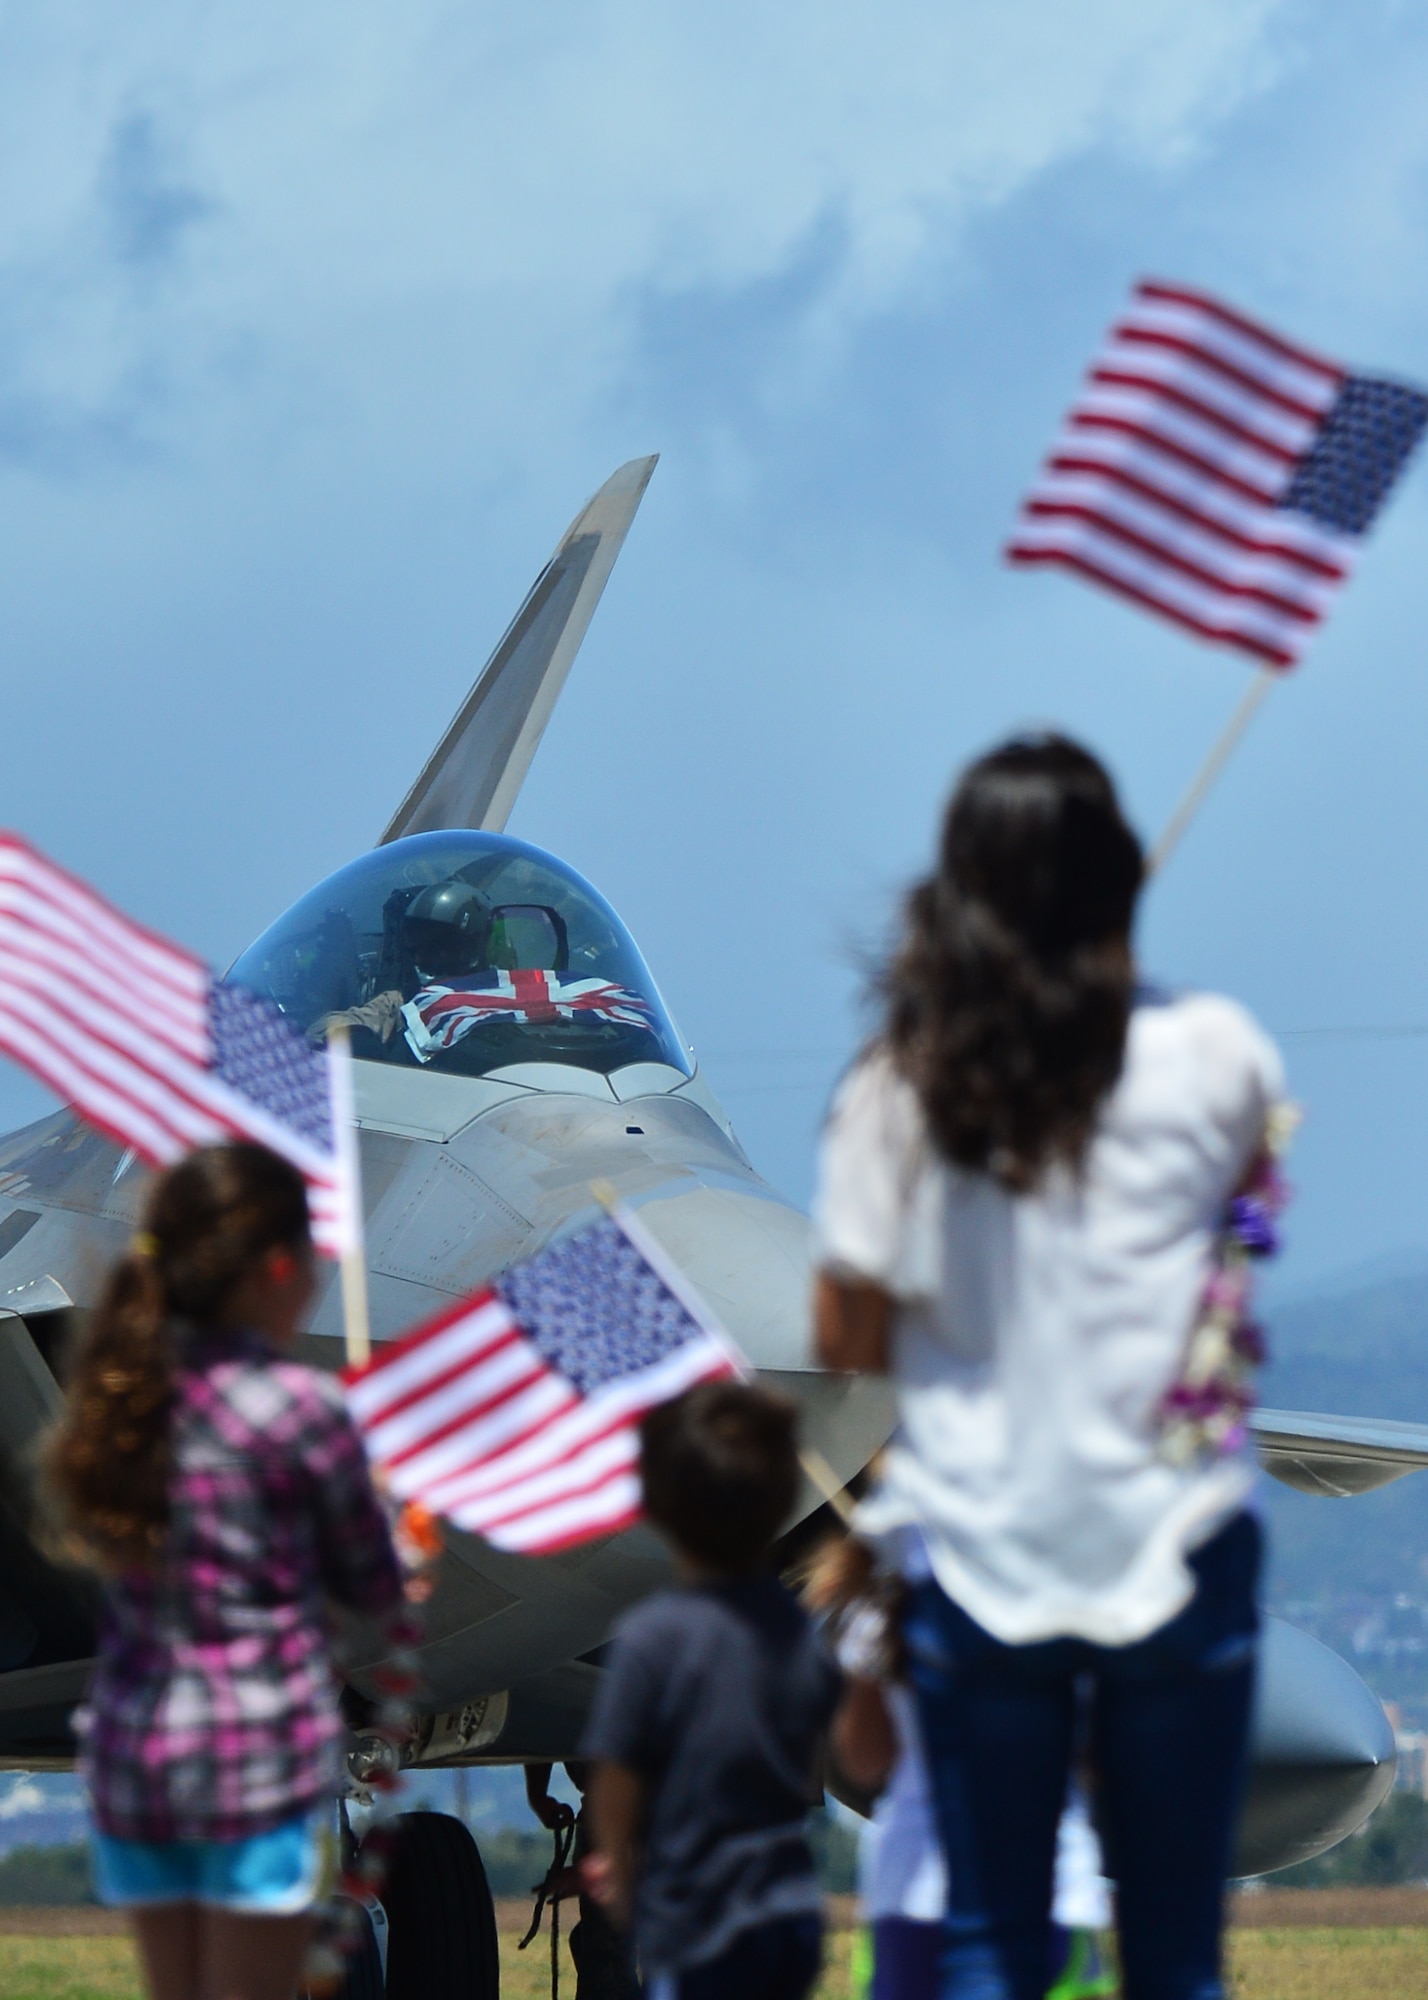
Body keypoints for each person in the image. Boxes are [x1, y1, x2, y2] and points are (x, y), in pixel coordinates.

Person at [813, 735, 1285, 2000]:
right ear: (1122, 884)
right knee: (1179, 1954)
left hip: (987, 1548)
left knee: (991, 1939)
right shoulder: (1220, 1051)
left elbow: (844, 1337)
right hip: (1176, 1536)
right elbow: (1241, 1225)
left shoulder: (895, 1086)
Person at [46, 1142, 403, 2000]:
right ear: (275, 1270)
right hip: (254, 1758)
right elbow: (371, 1584)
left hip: (140, 1758)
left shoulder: (127, 1406)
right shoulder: (305, 1410)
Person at [578, 1381, 846, 2000]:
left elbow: (614, 1778)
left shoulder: (653, 1637)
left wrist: (620, 1869)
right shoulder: (799, 1632)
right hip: (786, 1907)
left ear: (663, 1511)